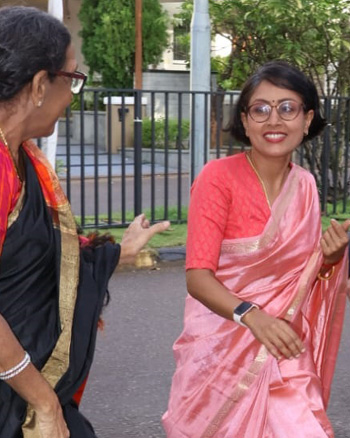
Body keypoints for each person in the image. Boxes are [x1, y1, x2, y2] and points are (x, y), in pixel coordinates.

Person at [0, 6, 170, 438]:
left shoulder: (25, 160)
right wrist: (42, 400)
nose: (74, 96)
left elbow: (35, 255)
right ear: (41, 85)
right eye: (72, 79)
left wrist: (119, 252)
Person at [162, 60, 350, 438]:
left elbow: (302, 282)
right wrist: (253, 316)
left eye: (287, 108)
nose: (274, 120)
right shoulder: (217, 178)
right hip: (221, 351)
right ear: (245, 121)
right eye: (260, 109)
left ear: (308, 118)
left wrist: (328, 260)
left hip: (283, 350)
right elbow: (198, 277)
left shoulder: (306, 186)